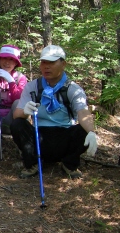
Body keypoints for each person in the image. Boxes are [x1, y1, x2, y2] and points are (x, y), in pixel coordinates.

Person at [10, 44, 97, 179]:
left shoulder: (73, 89)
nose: (46, 66)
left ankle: (69, 163)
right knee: (17, 124)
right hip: (39, 137)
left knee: (83, 130)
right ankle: (33, 163)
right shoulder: (32, 87)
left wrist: (91, 131)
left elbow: (83, 112)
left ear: (63, 64)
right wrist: (25, 111)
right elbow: (17, 115)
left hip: (65, 136)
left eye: (51, 62)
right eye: (43, 62)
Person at [0, 44, 28, 136]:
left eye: (11, 60)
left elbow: (20, 99)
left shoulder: (20, 78)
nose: (7, 62)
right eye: (4, 58)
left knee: (18, 102)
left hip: (9, 120)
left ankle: (18, 133)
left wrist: (11, 81)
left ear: (15, 63)